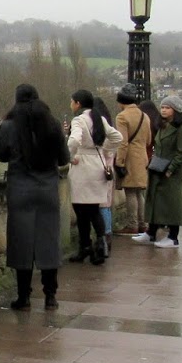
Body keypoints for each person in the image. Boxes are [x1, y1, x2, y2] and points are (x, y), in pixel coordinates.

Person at [0, 84, 70, 311]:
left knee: (21, 243)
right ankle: (50, 296)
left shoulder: (9, 126)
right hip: (47, 189)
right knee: (49, 243)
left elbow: (1, 155)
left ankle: (24, 297)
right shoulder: (53, 124)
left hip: (20, 189)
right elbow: (64, 158)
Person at [67, 89, 123, 266]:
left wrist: (69, 156)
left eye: (72, 101)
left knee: (81, 209)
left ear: (77, 103)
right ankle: (100, 246)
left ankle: (85, 246)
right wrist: (104, 149)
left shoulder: (79, 120)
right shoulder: (100, 118)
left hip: (82, 166)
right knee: (93, 209)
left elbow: (74, 141)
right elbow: (117, 137)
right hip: (97, 166)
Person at [137, 96, 182, 248]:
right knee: (155, 200)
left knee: (172, 203)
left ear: (176, 110)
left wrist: (171, 169)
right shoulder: (162, 126)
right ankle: (151, 232)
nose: (164, 110)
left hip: (171, 171)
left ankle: (173, 237)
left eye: (168, 107)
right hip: (158, 167)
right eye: (162, 107)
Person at [112, 85, 152, 236]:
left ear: (121, 102)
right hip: (142, 156)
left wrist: (120, 162)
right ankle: (143, 223)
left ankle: (132, 224)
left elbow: (122, 142)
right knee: (139, 192)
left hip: (130, 157)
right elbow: (148, 140)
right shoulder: (145, 116)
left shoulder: (122, 117)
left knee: (130, 192)